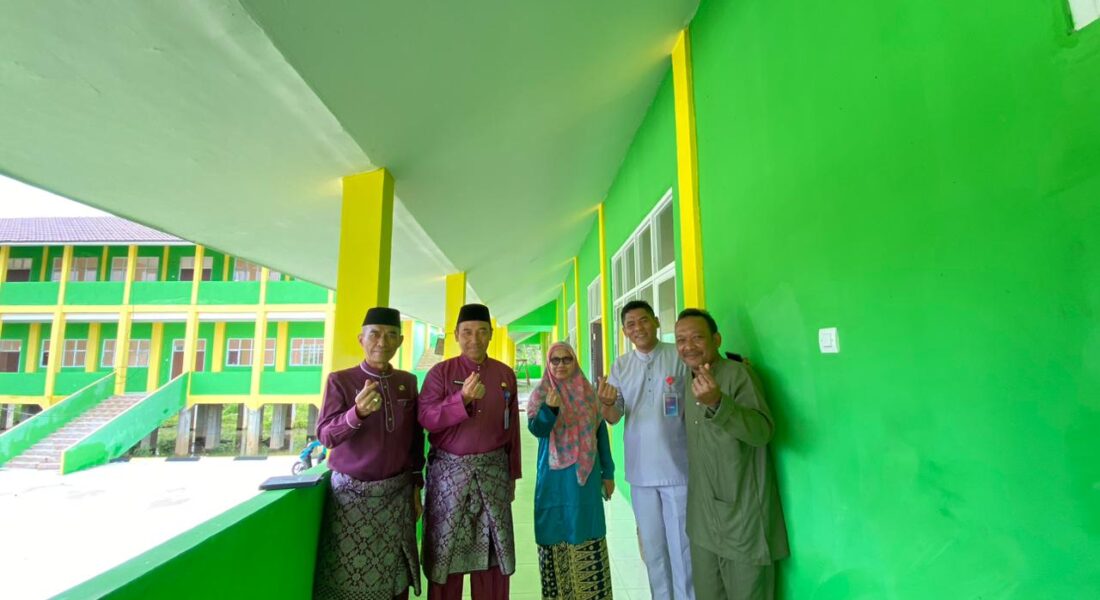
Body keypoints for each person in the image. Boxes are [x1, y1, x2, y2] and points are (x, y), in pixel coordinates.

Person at [674, 308, 789, 600]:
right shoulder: (688, 379)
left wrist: (718, 402)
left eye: (697, 338)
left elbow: (762, 432)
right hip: (703, 521)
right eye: (681, 340)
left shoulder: (739, 375)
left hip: (743, 521)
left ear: (716, 340)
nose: (688, 346)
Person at [312, 307, 425, 600]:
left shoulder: (407, 381)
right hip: (351, 501)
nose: (382, 342)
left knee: (395, 576)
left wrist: (416, 486)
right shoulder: (340, 380)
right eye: (374, 334)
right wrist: (357, 413)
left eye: (391, 335)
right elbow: (326, 435)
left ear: (400, 341)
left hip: (397, 496)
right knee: (349, 578)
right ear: (361, 339)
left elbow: (415, 439)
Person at [418, 303, 521, 600]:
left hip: (493, 475)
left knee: (493, 557)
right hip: (449, 479)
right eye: (467, 332)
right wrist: (461, 399)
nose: (474, 339)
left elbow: (512, 428)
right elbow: (427, 418)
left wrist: (512, 474)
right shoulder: (440, 373)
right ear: (456, 335)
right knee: (446, 558)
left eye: (481, 332)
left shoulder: (504, 374)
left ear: (491, 334)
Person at [599, 300, 694, 600]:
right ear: (625, 332)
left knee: (683, 549)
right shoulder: (621, 365)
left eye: (643, 320)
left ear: (656, 321)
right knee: (653, 549)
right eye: (630, 324)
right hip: (640, 472)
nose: (637, 328)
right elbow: (614, 416)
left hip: (678, 469)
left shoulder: (678, 356)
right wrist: (605, 403)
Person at [527, 341, 616, 600]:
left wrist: (608, 473)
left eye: (567, 359)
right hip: (552, 479)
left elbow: (601, 435)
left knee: (586, 529)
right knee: (554, 531)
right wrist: (550, 410)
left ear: (574, 362)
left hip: (585, 478)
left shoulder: (588, 394)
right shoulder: (541, 393)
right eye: (555, 360)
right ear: (548, 363)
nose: (561, 364)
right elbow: (537, 430)